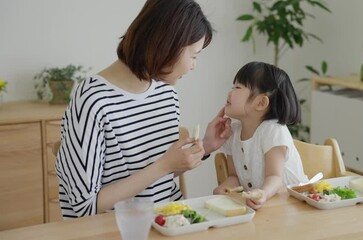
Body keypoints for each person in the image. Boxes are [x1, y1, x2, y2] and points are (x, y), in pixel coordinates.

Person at [56, 0, 231, 219]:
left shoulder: (165, 93)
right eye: (193, 55)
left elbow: (157, 175)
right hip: (114, 230)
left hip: (166, 222)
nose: (193, 65)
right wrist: (163, 166)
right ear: (168, 45)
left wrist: (205, 147)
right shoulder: (92, 100)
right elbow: (84, 205)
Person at [213, 61, 308, 210]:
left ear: (261, 103)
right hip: (264, 207)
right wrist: (224, 188)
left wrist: (263, 193)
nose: (230, 93)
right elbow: (234, 176)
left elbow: (275, 177)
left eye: (237, 87)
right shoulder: (232, 133)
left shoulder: (273, 131)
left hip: (292, 204)